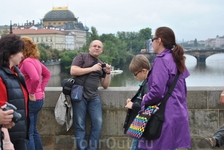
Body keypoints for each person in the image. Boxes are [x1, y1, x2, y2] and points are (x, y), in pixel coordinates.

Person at [139, 26, 191, 150]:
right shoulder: (176, 59)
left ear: (159, 40)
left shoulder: (162, 60)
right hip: (179, 114)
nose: (151, 42)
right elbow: (183, 91)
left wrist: (145, 99)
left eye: (153, 39)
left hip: (164, 117)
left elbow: (157, 92)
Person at [70, 40, 111, 150]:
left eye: (99, 47)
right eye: (94, 46)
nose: (96, 48)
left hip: (94, 97)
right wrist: (92, 69)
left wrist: (107, 73)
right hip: (80, 96)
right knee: (79, 125)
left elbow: (105, 85)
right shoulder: (82, 56)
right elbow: (73, 70)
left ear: (101, 50)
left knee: (98, 123)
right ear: (89, 48)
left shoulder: (101, 64)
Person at [19, 37, 51, 150]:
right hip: (39, 99)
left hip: (32, 100)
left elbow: (36, 78)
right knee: (33, 130)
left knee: (28, 133)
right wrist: (41, 90)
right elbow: (47, 74)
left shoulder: (27, 62)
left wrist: (32, 93)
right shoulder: (35, 61)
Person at [0, 34, 29, 150]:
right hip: (9, 135)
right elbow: (2, 108)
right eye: (20, 52)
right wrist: (6, 141)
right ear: (11, 54)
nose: (22, 55)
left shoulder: (15, 72)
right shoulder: (3, 76)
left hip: (18, 131)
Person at [123, 54, 150, 150]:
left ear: (143, 71)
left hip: (142, 126)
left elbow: (148, 107)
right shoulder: (147, 82)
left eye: (135, 74)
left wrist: (133, 105)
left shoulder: (148, 85)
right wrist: (133, 101)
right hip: (141, 127)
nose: (134, 77)